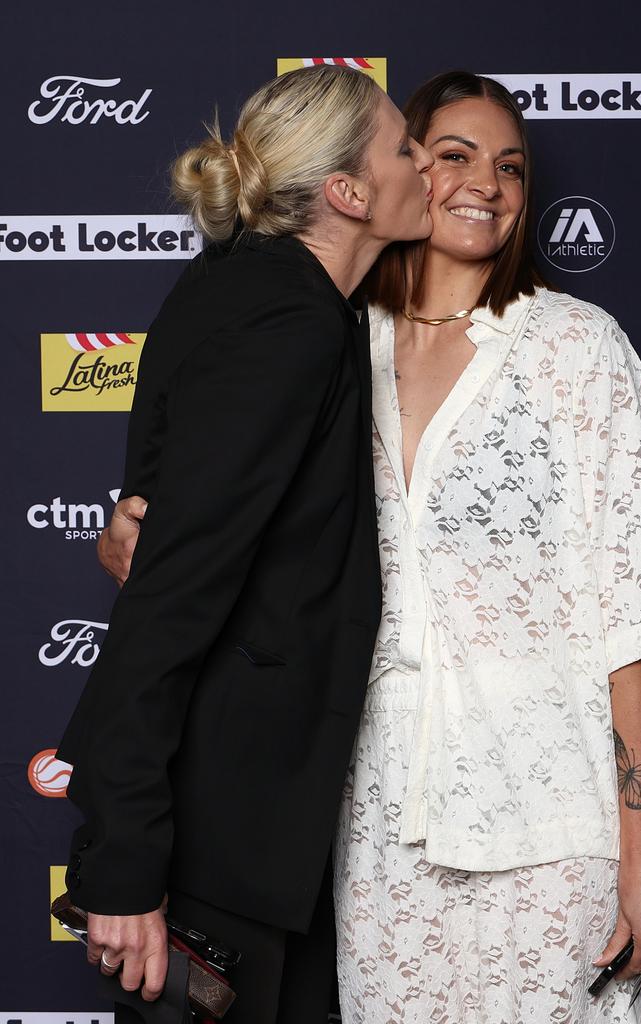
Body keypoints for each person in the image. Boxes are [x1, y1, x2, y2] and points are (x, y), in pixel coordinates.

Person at [102, 72, 641, 1023]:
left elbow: (628, 615)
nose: (482, 183)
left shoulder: (579, 347)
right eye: (447, 155)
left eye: (511, 165)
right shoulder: (335, 339)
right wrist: (145, 499)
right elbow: (213, 381)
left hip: (551, 829)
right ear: (398, 177)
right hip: (375, 834)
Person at [56, 63, 433, 1024]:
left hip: (256, 839)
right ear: (348, 193)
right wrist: (131, 864)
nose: (424, 161)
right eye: (403, 147)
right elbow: (171, 594)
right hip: (215, 840)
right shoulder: (288, 322)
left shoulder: (251, 287)